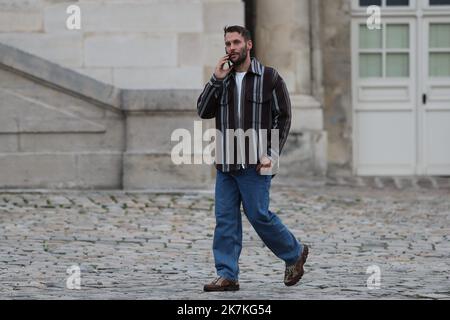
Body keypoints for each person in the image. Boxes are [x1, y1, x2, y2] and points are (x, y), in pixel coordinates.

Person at [197, 25, 308, 292]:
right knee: (225, 218)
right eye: (227, 44)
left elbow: (284, 117)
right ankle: (227, 274)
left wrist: (272, 153)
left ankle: (294, 253)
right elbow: (203, 110)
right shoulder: (222, 79)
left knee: (258, 214)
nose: (231, 48)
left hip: (255, 163)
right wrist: (215, 79)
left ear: (249, 45)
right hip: (226, 163)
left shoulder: (269, 77)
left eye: (236, 42)